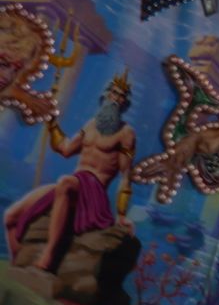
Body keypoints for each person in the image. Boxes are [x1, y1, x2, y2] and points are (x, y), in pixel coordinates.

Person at [4, 73, 136, 270]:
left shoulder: (126, 133)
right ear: (106, 95)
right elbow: (65, 149)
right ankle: (17, 262)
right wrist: (52, 123)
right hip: (73, 184)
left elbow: (126, 176)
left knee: (65, 182)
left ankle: (49, 254)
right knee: (10, 218)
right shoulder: (90, 125)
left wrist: (122, 214)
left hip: (94, 192)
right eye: (113, 93)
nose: (116, 98)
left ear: (125, 103)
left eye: (121, 96)